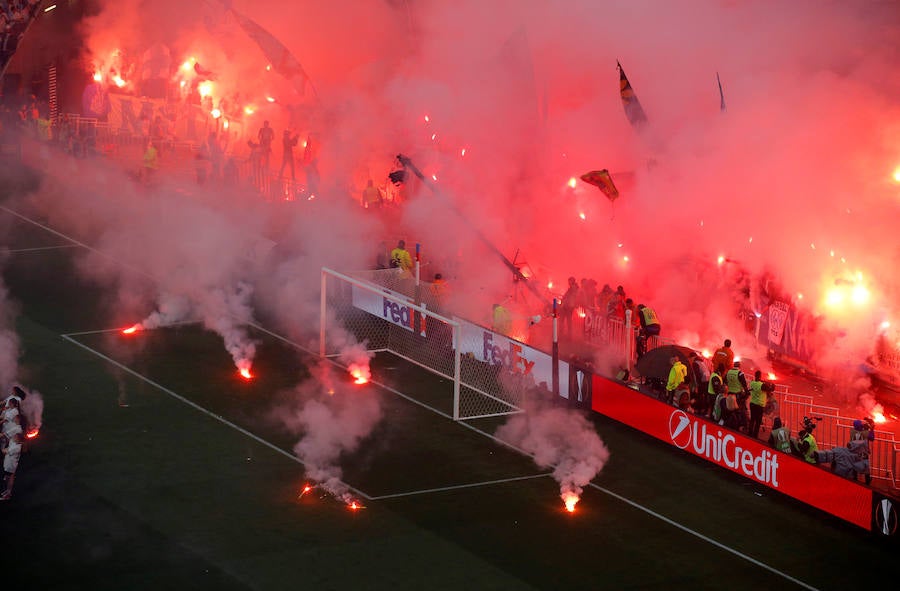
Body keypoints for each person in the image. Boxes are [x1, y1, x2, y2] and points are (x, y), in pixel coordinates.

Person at [747, 370, 774, 439]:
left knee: (752, 420)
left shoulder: (752, 383)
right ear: (760, 376)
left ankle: (750, 433)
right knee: (758, 422)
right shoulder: (762, 385)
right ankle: (755, 436)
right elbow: (771, 389)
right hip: (759, 405)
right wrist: (771, 384)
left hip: (752, 403)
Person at [725, 361, 749, 431]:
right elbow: (744, 384)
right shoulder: (740, 373)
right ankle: (738, 426)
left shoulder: (728, 372)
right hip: (738, 395)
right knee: (739, 411)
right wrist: (747, 393)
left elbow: (725, 382)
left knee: (730, 410)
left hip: (729, 394)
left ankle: (730, 425)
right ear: (739, 366)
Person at [1, 429, 21, 500]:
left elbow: (4, 451)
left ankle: (8, 494)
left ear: (19, 439)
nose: (14, 437)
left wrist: (4, 449)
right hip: (7, 464)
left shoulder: (17, 447)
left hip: (11, 466)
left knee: (9, 479)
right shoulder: (14, 442)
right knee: (7, 478)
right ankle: (6, 491)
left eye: (15, 437)